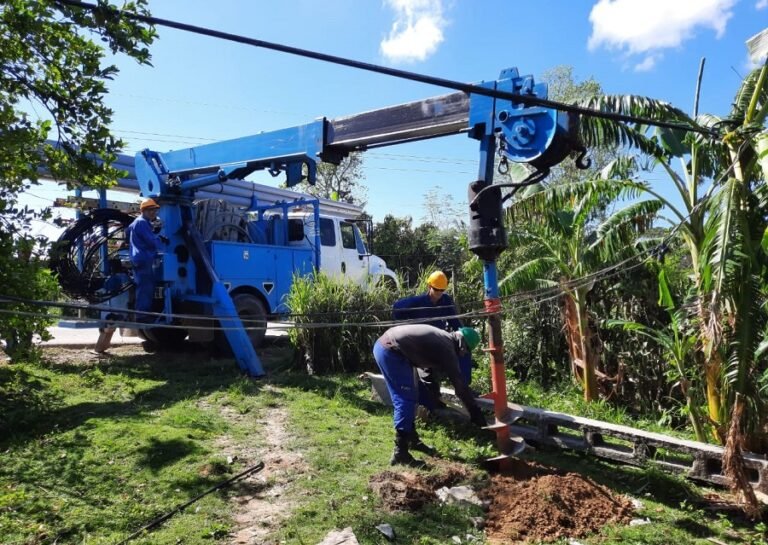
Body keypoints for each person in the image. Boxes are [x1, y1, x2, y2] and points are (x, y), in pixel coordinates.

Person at [373, 324, 487, 467]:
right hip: (391, 351)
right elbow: (459, 385)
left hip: (388, 347)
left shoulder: (442, 338)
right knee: (405, 399)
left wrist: (433, 389)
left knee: (410, 396)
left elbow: (425, 365)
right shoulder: (447, 348)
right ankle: (400, 452)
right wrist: (475, 412)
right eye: (466, 351)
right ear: (463, 345)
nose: (463, 355)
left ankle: (412, 440)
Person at [392, 270, 473, 407]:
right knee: (426, 374)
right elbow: (396, 308)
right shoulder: (418, 302)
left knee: (464, 352)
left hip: (438, 342)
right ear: (429, 287)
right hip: (421, 344)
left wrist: (461, 335)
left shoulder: (446, 301)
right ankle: (430, 404)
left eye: (442, 290)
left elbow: (455, 323)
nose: (439, 293)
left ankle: (464, 390)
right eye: (436, 289)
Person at [126, 198, 166, 322]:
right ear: (143, 210)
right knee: (146, 287)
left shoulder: (135, 223)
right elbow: (151, 241)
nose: (153, 213)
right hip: (144, 258)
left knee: (143, 286)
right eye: (150, 210)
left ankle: (140, 313)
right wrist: (163, 244)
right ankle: (142, 316)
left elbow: (127, 233)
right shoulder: (142, 222)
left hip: (138, 257)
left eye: (154, 210)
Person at [94, 259, 132, 355]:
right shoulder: (126, 278)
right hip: (123, 308)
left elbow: (106, 290)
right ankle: (104, 347)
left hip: (113, 308)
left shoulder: (114, 279)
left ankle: (99, 349)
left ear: (112, 268)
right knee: (111, 328)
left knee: (105, 328)